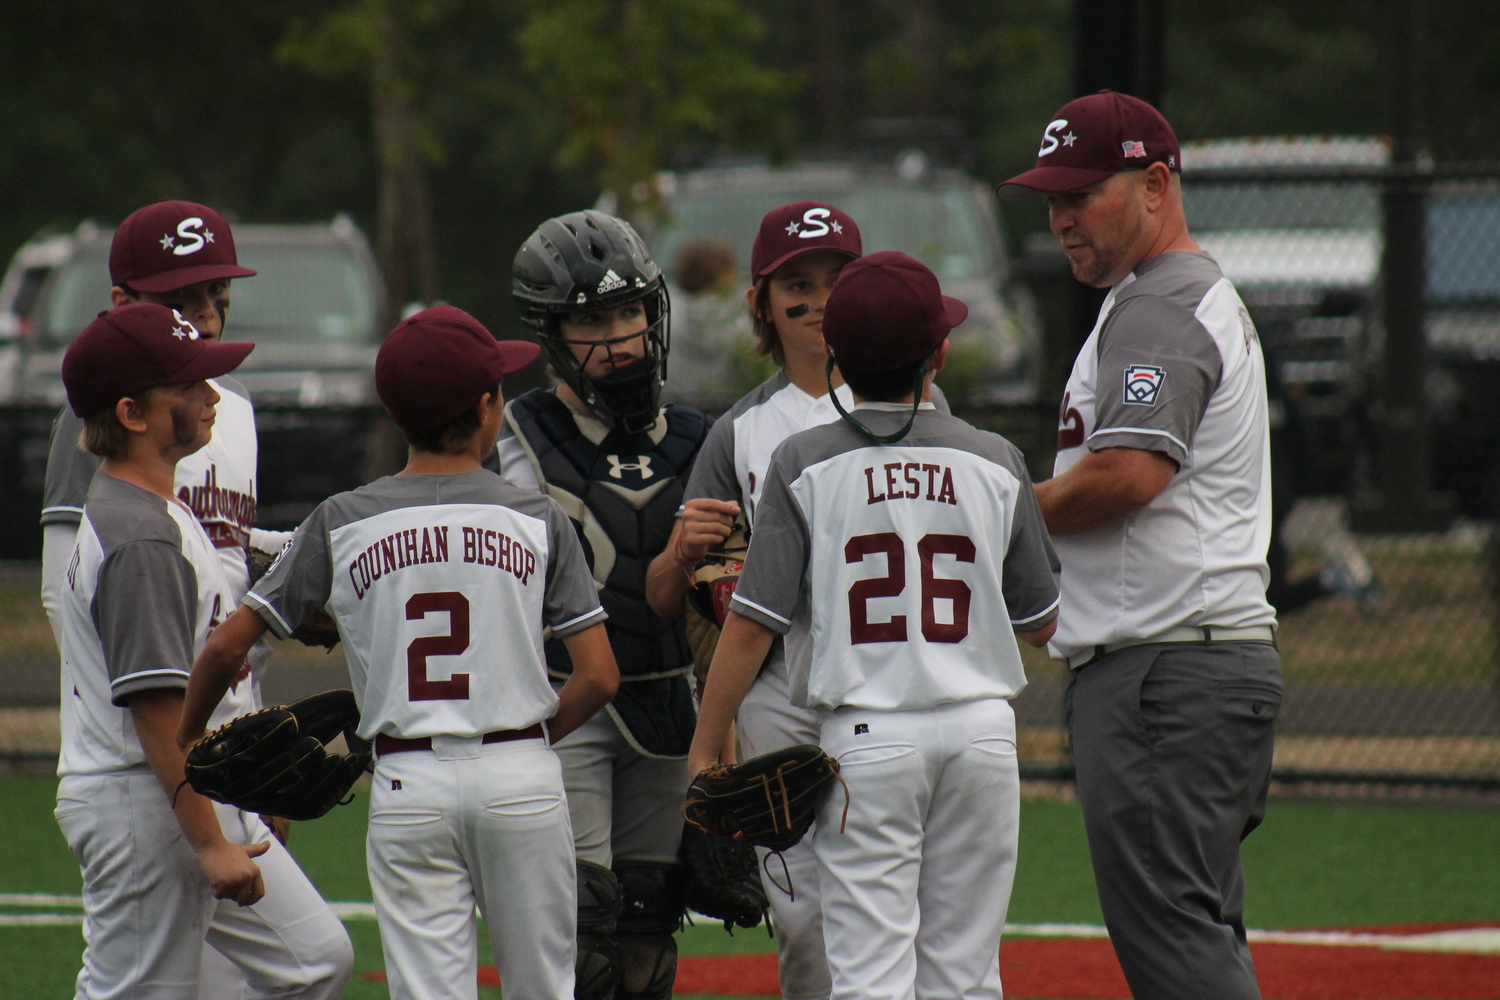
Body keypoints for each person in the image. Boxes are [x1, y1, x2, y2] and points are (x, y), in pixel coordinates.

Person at [177, 305, 620, 1000]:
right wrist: (532, 741)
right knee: (544, 989)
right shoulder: (535, 519)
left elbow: (227, 644)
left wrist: (189, 734)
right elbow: (598, 676)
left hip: (408, 783)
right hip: (520, 777)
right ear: (485, 406)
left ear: (394, 414)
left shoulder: (344, 518)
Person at [686, 251, 1060, 1000]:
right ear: (941, 353)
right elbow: (1041, 620)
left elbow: (755, 625)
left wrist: (706, 745)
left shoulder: (801, 459)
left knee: (868, 974)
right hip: (983, 733)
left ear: (840, 363)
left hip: (871, 737)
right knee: (964, 974)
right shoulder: (996, 457)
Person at [997, 89, 1282, 1000]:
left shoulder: (1160, 307)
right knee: (1194, 931)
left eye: (1082, 195)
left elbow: (1128, 475)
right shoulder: (1170, 297)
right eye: (1052, 199)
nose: (1060, 218)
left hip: (1166, 675)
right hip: (1192, 666)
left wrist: (993, 511)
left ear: (1156, 184)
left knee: (1177, 949)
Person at [645, 201, 950, 1000]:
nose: (817, 302)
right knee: (806, 919)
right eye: (797, 285)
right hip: (780, 687)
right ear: (760, 301)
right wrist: (682, 554)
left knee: (903, 905)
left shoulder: (921, 405)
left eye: (837, 281)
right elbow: (662, 593)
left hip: (891, 680)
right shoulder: (741, 431)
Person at [54, 302, 352, 1000]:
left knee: (315, 959)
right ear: (132, 413)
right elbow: (157, 711)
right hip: (140, 799)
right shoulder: (140, 536)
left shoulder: (162, 510)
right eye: (187, 387)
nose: (209, 396)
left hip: (179, 792)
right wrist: (208, 840)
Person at [497, 209, 712, 1000]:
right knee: (583, 936)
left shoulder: (697, 436)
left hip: (668, 702)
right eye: (592, 319)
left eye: (629, 311)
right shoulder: (517, 436)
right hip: (567, 705)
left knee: (650, 933)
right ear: (552, 332)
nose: (619, 336)